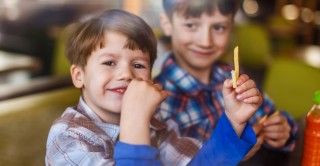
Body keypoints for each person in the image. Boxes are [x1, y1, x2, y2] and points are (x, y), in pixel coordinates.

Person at [45, 9, 262, 165]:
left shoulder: (156, 126)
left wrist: (233, 121)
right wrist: (135, 119)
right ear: (79, 75)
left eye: (138, 65)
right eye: (109, 62)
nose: (126, 74)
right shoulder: (68, 137)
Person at [155, 0, 298, 160]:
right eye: (191, 25)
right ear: (167, 23)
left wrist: (282, 130)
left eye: (218, 27)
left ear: (231, 27)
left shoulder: (231, 75)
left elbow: (272, 114)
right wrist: (230, 152)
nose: (205, 42)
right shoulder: (157, 102)